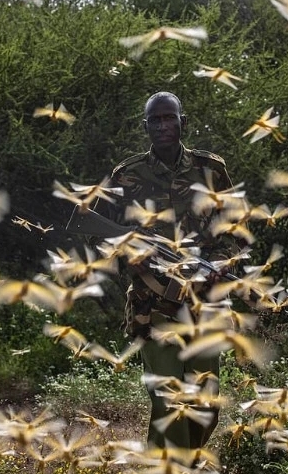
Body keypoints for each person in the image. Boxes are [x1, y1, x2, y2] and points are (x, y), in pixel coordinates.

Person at [95, 91, 238, 450]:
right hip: (153, 302)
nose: (162, 126)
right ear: (145, 127)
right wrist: (131, 254)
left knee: (205, 402)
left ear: (182, 122)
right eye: (155, 120)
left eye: (169, 118)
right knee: (169, 401)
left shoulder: (211, 170)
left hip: (204, 301)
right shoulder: (126, 176)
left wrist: (222, 261)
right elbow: (97, 232)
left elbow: (235, 227)